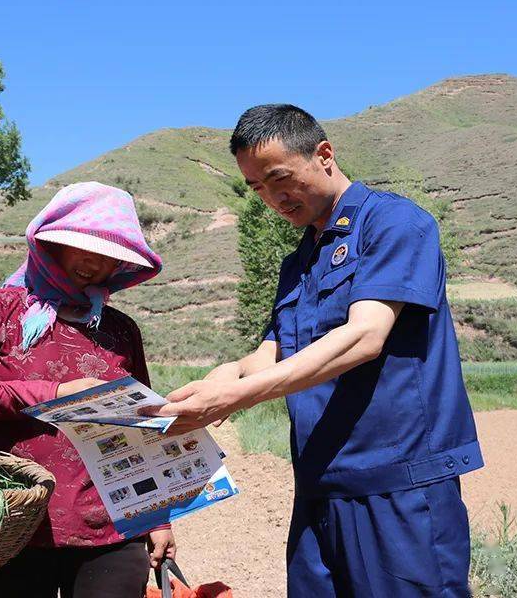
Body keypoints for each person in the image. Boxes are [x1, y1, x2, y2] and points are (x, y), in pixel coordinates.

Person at [146, 105, 483, 597]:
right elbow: (269, 355)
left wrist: (237, 398)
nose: (274, 198)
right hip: (321, 485)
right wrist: (217, 381)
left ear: (324, 154)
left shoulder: (393, 224)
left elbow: (365, 335)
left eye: (279, 177)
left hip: (396, 483)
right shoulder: (299, 261)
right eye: (257, 188)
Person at [0, 181, 175, 598]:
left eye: (110, 255)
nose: (95, 263)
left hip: (111, 527)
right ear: (52, 243)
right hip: (12, 522)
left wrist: (159, 519)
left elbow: (141, 428)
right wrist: (54, 394)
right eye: (85, 246)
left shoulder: (120, 330)